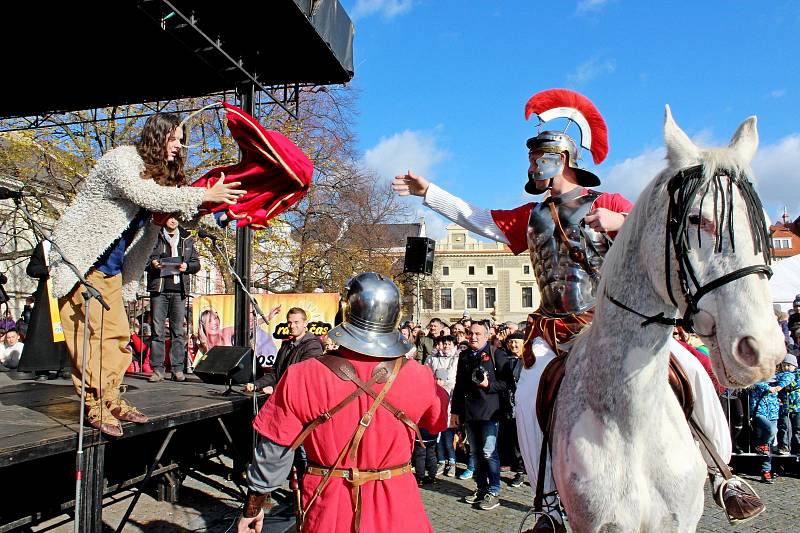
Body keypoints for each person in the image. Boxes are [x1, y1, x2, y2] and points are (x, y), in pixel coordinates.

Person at [47, 112, 245, 437]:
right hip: (81, 264)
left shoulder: (156, 181)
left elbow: (182, 214)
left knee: (117, 338)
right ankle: (95, 406)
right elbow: (148, 197)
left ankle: (110, 398)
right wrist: (202, 195)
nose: (179, 147)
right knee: (92, 340)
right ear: (158, 135)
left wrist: (228, 216)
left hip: (111, 272)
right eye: (175, 139)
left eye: (182, 141)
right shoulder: (121, 161)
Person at [236, 272, 449, 533]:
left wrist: (253, 508)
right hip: (399, 509)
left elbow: (275, 451)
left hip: (330, 506)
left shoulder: (303, 375)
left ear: (346, 309)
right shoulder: (421, 376)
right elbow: (437, 422)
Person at [451, 322, 511, 511]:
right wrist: (455, 411)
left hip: (489, 411)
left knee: (488, 452)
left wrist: (488, 385)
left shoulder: (497, 354)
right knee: (476, 453)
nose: (473, 337)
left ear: (486, 336)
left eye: (477, 333)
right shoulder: (465, 355)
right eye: (470, 333)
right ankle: (481, 487)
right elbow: (459, 385)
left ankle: (493, 491)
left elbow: (508, 383)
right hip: (470, 412)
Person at [145, 215, 201, 382]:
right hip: (159, 290)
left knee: (178, 332)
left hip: (179, 290)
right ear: (164, 219)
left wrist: (187, 266)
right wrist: (153, 263)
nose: (173, 220)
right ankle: (157, 370)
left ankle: (177, 369)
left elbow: (196, 263)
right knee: (157, 331)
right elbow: (144, 259)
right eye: (170, 217)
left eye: (176, 217)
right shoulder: (155, 235)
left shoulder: (186, 238)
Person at [21, 240, 71, 381]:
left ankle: (66, 366)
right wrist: (47, 269)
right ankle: (42, 367)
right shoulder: (44, 246)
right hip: (47, 293)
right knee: (44, 330)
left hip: (68, 291)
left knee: (67, 327)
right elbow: (31, 269)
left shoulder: (72, 242)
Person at [427, 336, 459, 476]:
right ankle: (440, 460)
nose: (446, 346)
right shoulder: (433, 358)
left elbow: (452, 378)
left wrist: (442, 380)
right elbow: (428, 373)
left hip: (450, 397)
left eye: (449, 344)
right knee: (437, 432)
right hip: (436, 396)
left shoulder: (456, 359)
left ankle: (452, 462)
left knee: (448, 435)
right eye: (444, 343)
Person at [776, 354, 799, 455]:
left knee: (797, 428)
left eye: (789, 365)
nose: (786, 367)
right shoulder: (781, 375)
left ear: (794, 365)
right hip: (785, 406)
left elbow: (796, 383)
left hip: (797, 407)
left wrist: (790, 385)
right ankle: (784, 446)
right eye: (784, 365)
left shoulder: (798, 374)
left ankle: (797, 447)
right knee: (784, 427)